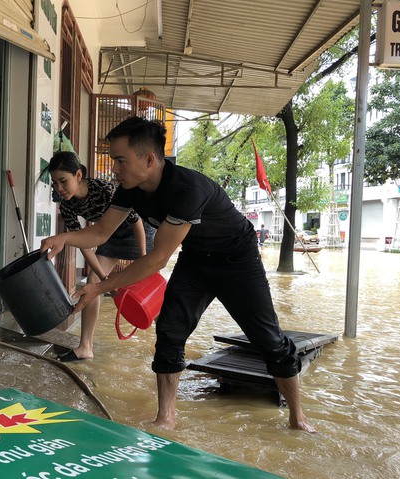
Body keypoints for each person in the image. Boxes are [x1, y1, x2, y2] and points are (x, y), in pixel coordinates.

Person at [41, 117, 316, 433]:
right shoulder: (128, 189)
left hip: (237, 258)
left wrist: (102, 285)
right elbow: (101, 232)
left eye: (119, 160)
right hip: (196, 259)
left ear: (148, 159)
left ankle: (298, 418)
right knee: (170, 331)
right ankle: (165, 419)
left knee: (268, 339)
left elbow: (157, 259)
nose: (113, 168)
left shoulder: (186, 189)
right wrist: (64, 239)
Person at [45, 151, 155, 362]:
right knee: (93, 283)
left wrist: (143, 259)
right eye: (55, 182)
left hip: (136, 233)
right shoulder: (67, 204)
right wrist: (102, 279)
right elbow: (82, 241)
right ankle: (85, 347)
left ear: (78, 175)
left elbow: (136, 221)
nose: (59, 188)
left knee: (147, 289)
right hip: (109, 235)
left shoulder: (104, 190)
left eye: (63, 181)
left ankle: (166, 337)